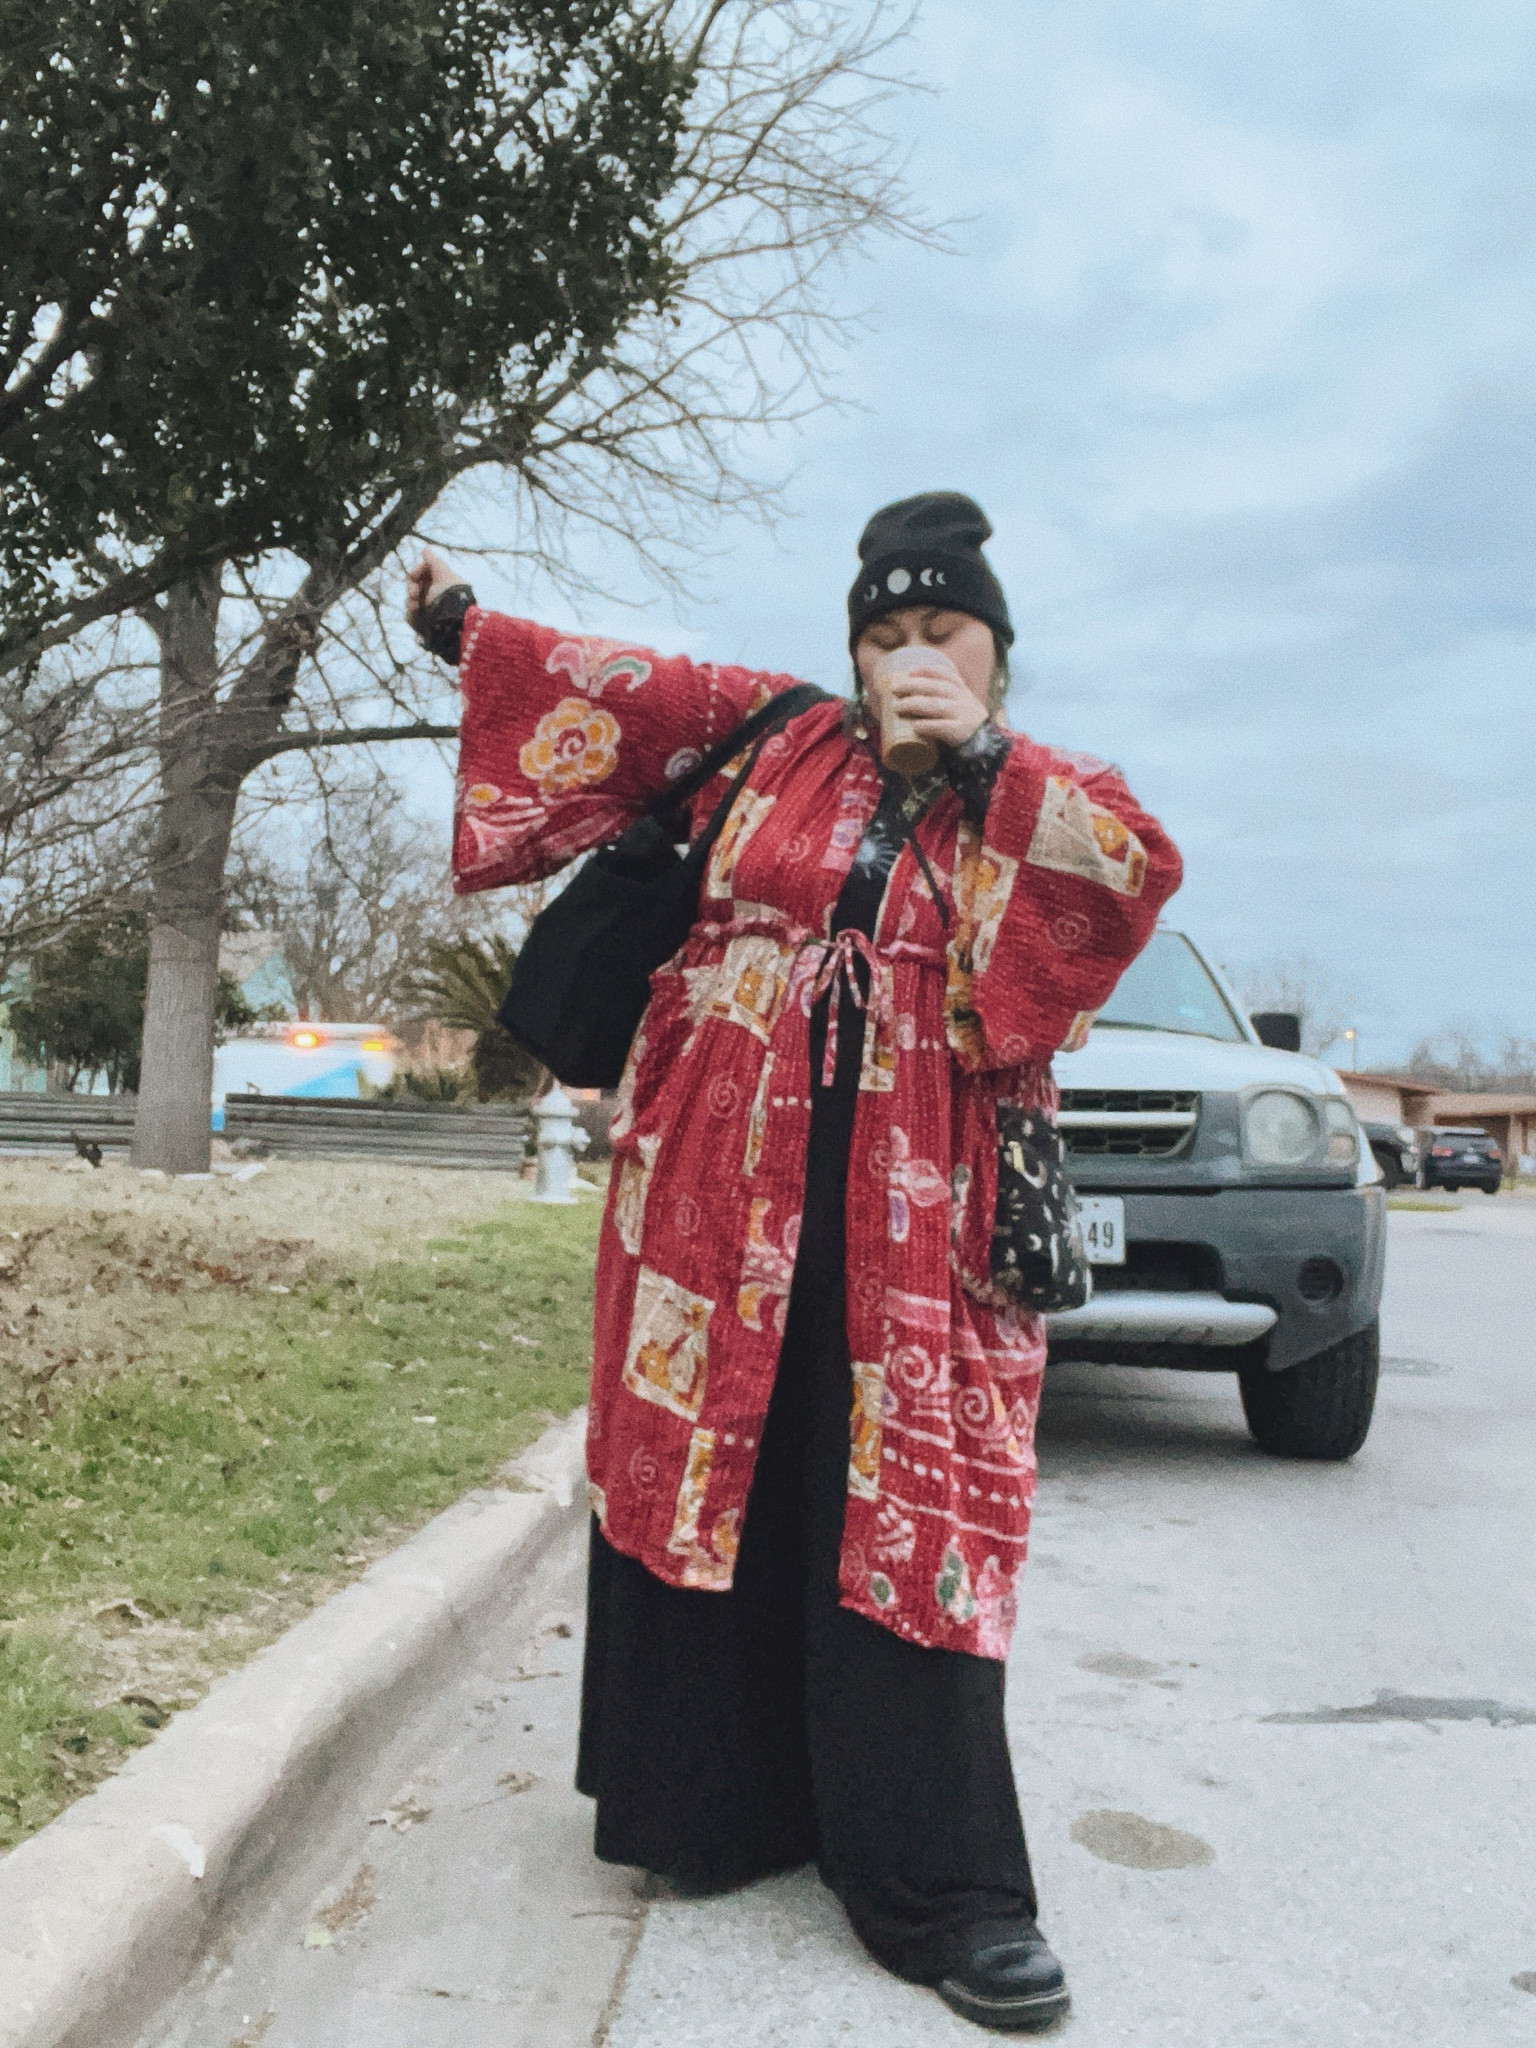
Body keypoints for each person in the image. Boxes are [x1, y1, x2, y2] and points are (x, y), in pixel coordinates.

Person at [408, 492, 1182, 2033]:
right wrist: (460, 628)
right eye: (885, 634)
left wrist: (981, 757)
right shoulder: (771, 734)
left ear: (997, 651)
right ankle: (713, 1814)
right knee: (715, 1464)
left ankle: (941, 1885)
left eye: (943, 631)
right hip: (714, 1182)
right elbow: (618, 689)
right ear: (851, 650)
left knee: (904, 1495)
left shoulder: (1042, 786)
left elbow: (1129, 881)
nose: (911, 655)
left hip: (925, 1205)